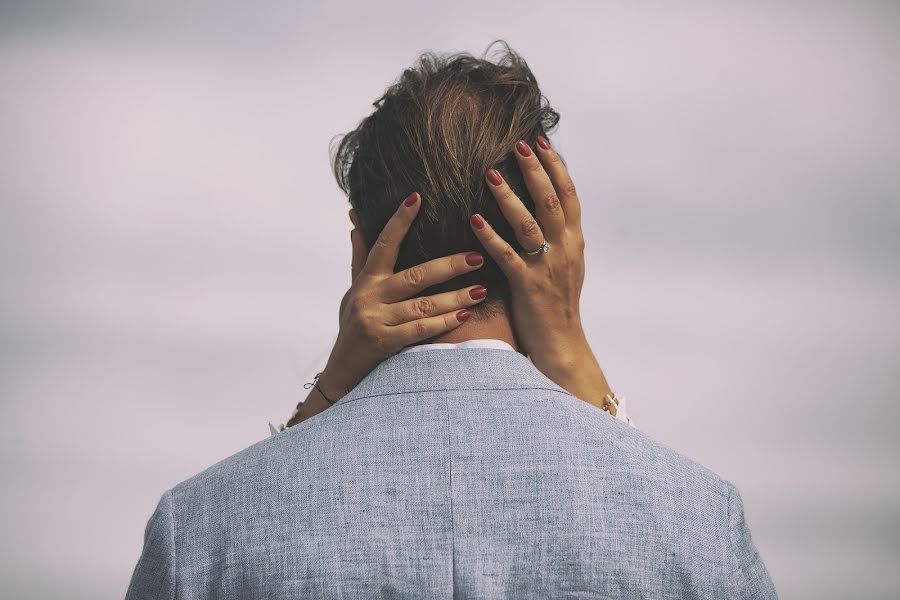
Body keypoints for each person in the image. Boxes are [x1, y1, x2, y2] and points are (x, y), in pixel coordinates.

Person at [125, 41, 777, 599]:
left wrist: (327, 393)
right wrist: (575, 355)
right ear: (555, 250)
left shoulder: (203, 531)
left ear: (362, 252)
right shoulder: (697, 520)